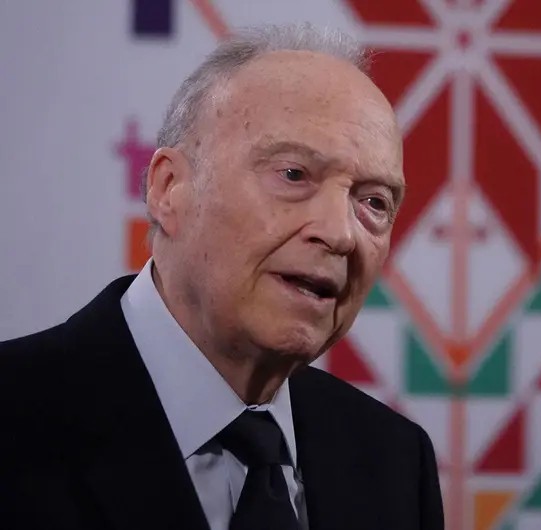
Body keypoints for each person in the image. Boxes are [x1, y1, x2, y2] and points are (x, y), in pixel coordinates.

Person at [0, 23, 444, 530]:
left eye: (374, 203)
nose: (340, 234)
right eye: (293, 175)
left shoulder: (394, 462)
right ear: (169, 189)